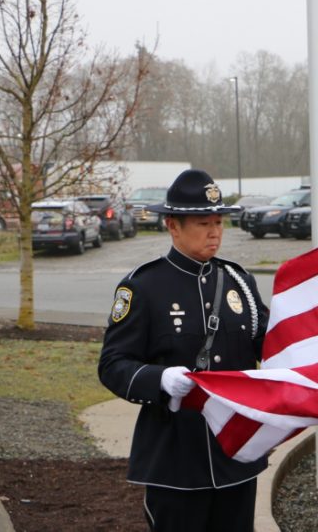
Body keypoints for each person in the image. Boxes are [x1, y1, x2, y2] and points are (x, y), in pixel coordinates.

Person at [98, 169, 270, 532]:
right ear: (173, 226)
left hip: (235, 454)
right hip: (176, 459)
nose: (215, 231)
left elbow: (269, 342)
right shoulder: (143, 287)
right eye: (203, 223)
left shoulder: (238, 280)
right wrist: (158, 379)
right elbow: (113, 365)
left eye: (219, 222)